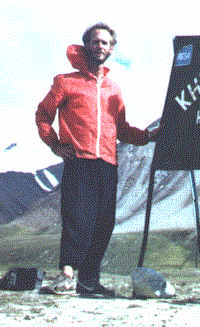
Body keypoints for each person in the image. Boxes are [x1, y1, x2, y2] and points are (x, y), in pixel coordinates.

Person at [35, 22, 159, 296]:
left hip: (108, 162)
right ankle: (66, 277)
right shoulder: (66, 82)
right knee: (77, 219)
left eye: (105, 42)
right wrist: (55, 145)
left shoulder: (114, 89)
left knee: (104, 223)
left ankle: (89, 282)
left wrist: (149, 136)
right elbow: (43, 115)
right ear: (86, 45)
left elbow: (123, 130)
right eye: (95, 41)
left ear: (111, 49)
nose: (100, 46)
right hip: (79, 160)